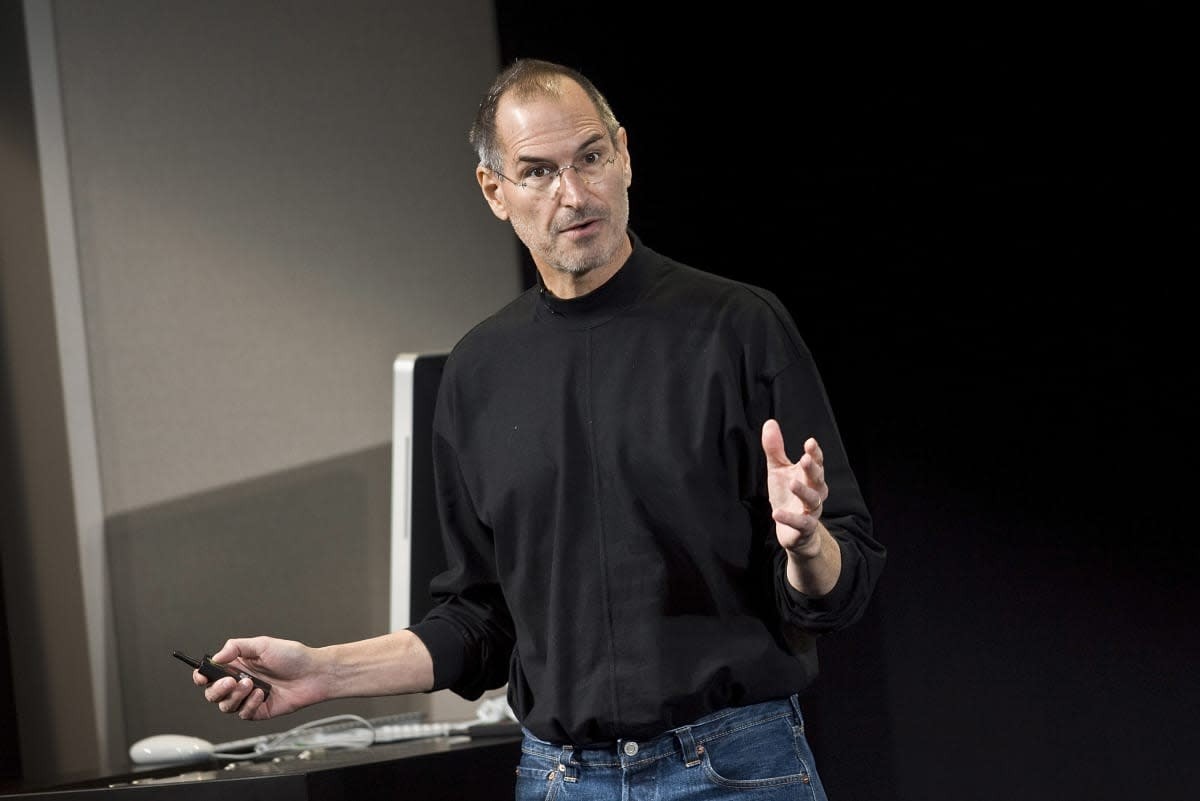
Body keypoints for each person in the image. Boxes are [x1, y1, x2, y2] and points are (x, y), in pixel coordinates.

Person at [191, 58, 886, 800]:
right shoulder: (478, 372)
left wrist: (807, 546)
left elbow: (843, 577)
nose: (574, 194)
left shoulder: (738, 326)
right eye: (538, 172)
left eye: (591, 158)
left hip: (735, 765)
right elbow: (480, 620)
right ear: (495, 192)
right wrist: (323, 673)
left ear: (625, 156)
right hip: (562, 778)